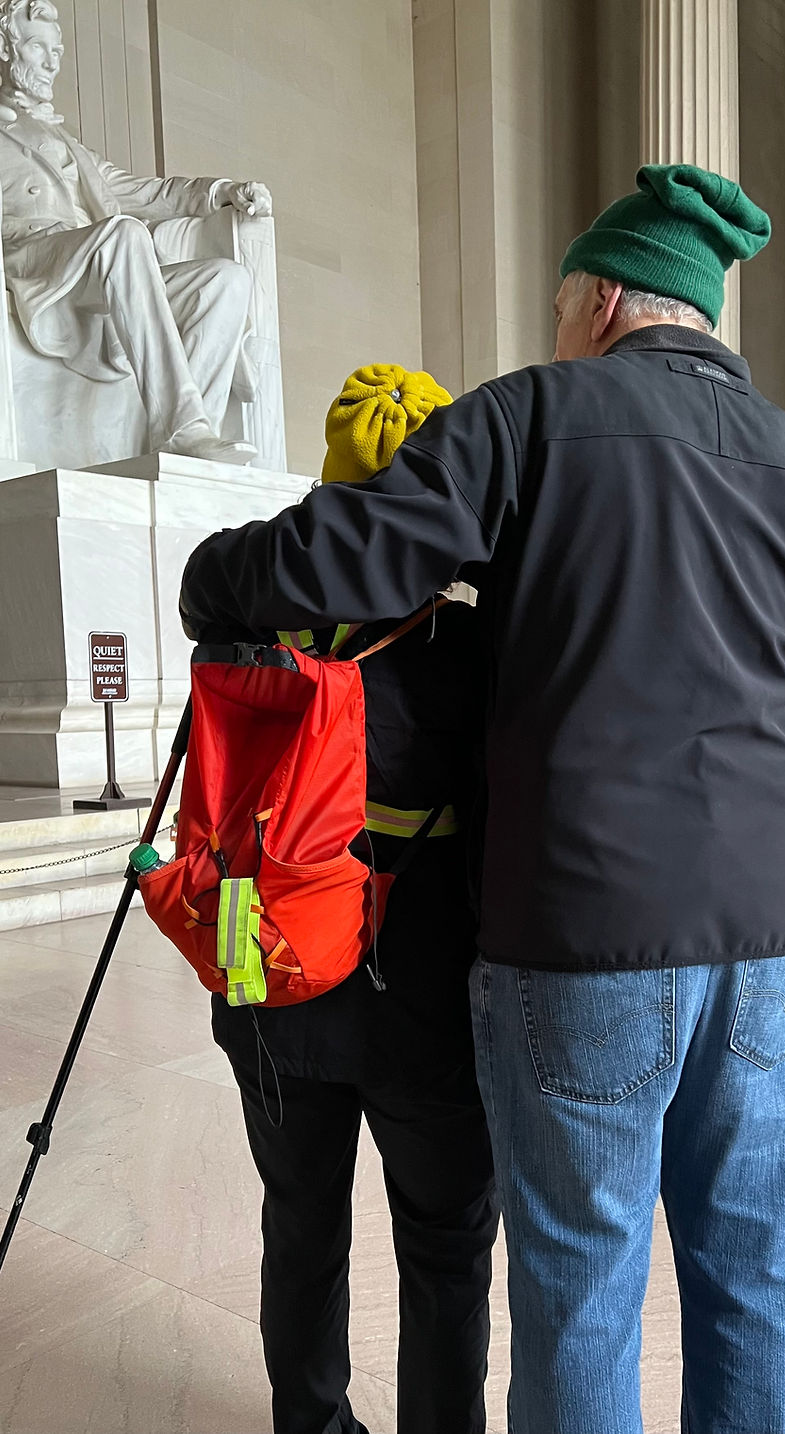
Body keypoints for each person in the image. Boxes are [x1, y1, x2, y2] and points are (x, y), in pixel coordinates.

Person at [179, 164, 785, 1433]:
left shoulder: (533, 416)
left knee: (583, 1282)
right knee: (758, 1275)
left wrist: (214, 573)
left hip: (581, 938)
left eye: (560, 313)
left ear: (603, 301)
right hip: (764, 946)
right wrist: (759, 804)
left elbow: (348, 553)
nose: (558, 337)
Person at [184, 364, 499, 1434]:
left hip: (270, 992)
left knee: (301, 1225)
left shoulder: (243, 640)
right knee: (446, 1247)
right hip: (428, 1018)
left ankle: (311, 1425)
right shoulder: (467, 653)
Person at [0, 0, 271, 463]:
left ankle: (191, 451)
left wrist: (221, 192)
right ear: (4, 48)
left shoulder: (75, 148)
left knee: (226, 281)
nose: (52, 62)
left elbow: (150, 193)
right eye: (38, 47)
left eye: (58, 50)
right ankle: (183, 426)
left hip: (99, 264)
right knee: (124, 235)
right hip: (35, 260)